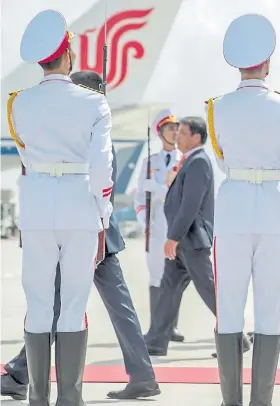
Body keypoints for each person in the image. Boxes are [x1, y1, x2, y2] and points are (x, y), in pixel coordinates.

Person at [1, 70, 160, 402]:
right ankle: (141, 375)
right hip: (90, 228)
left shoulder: (89, 124)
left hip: (90, 230)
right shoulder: (93, 124)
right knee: (86, 305)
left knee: (57, 304)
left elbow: (102, 179)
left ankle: (22, 375)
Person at [8, 10, 113, 404]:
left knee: (36, 305)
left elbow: (25, 154)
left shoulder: (18, 103)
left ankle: (37, 397)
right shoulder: (94, 104)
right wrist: (103, 215)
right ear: (67, 53)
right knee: (73, 305)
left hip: (36, 209)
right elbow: (103, 167)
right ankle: (70, 398)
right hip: (79, 206)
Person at [206, 14, 280, 406]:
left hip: (232, 207)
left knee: (228, 309)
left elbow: (222, 159)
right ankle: (261, 401)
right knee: (270, 313)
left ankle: (230, 400)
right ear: (268, 63)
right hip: (273, 209)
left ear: (237, 64)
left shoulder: (216, 108)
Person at [143, 117, 230, 358]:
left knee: (208, 289)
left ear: (196, 137)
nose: (177, 136)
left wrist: (173, 236)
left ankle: (235, 335)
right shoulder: (190, 161)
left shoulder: (199, 162)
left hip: (191, 240)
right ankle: (156, 341)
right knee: (168, 289)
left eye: (182, 133)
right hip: (184, 242)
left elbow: (190, 205)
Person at [134, 108, 185, 343]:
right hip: (156, 227)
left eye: (176, 128)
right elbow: (138, 200)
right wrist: (145, 222)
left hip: (175, 227)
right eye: (169, 129)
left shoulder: (184, 161)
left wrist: (160, 189)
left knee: (174, 278)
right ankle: (156, 327)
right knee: (156, 276)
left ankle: (171, 327)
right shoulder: (149, 162)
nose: (174, 133)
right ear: (160, 132)